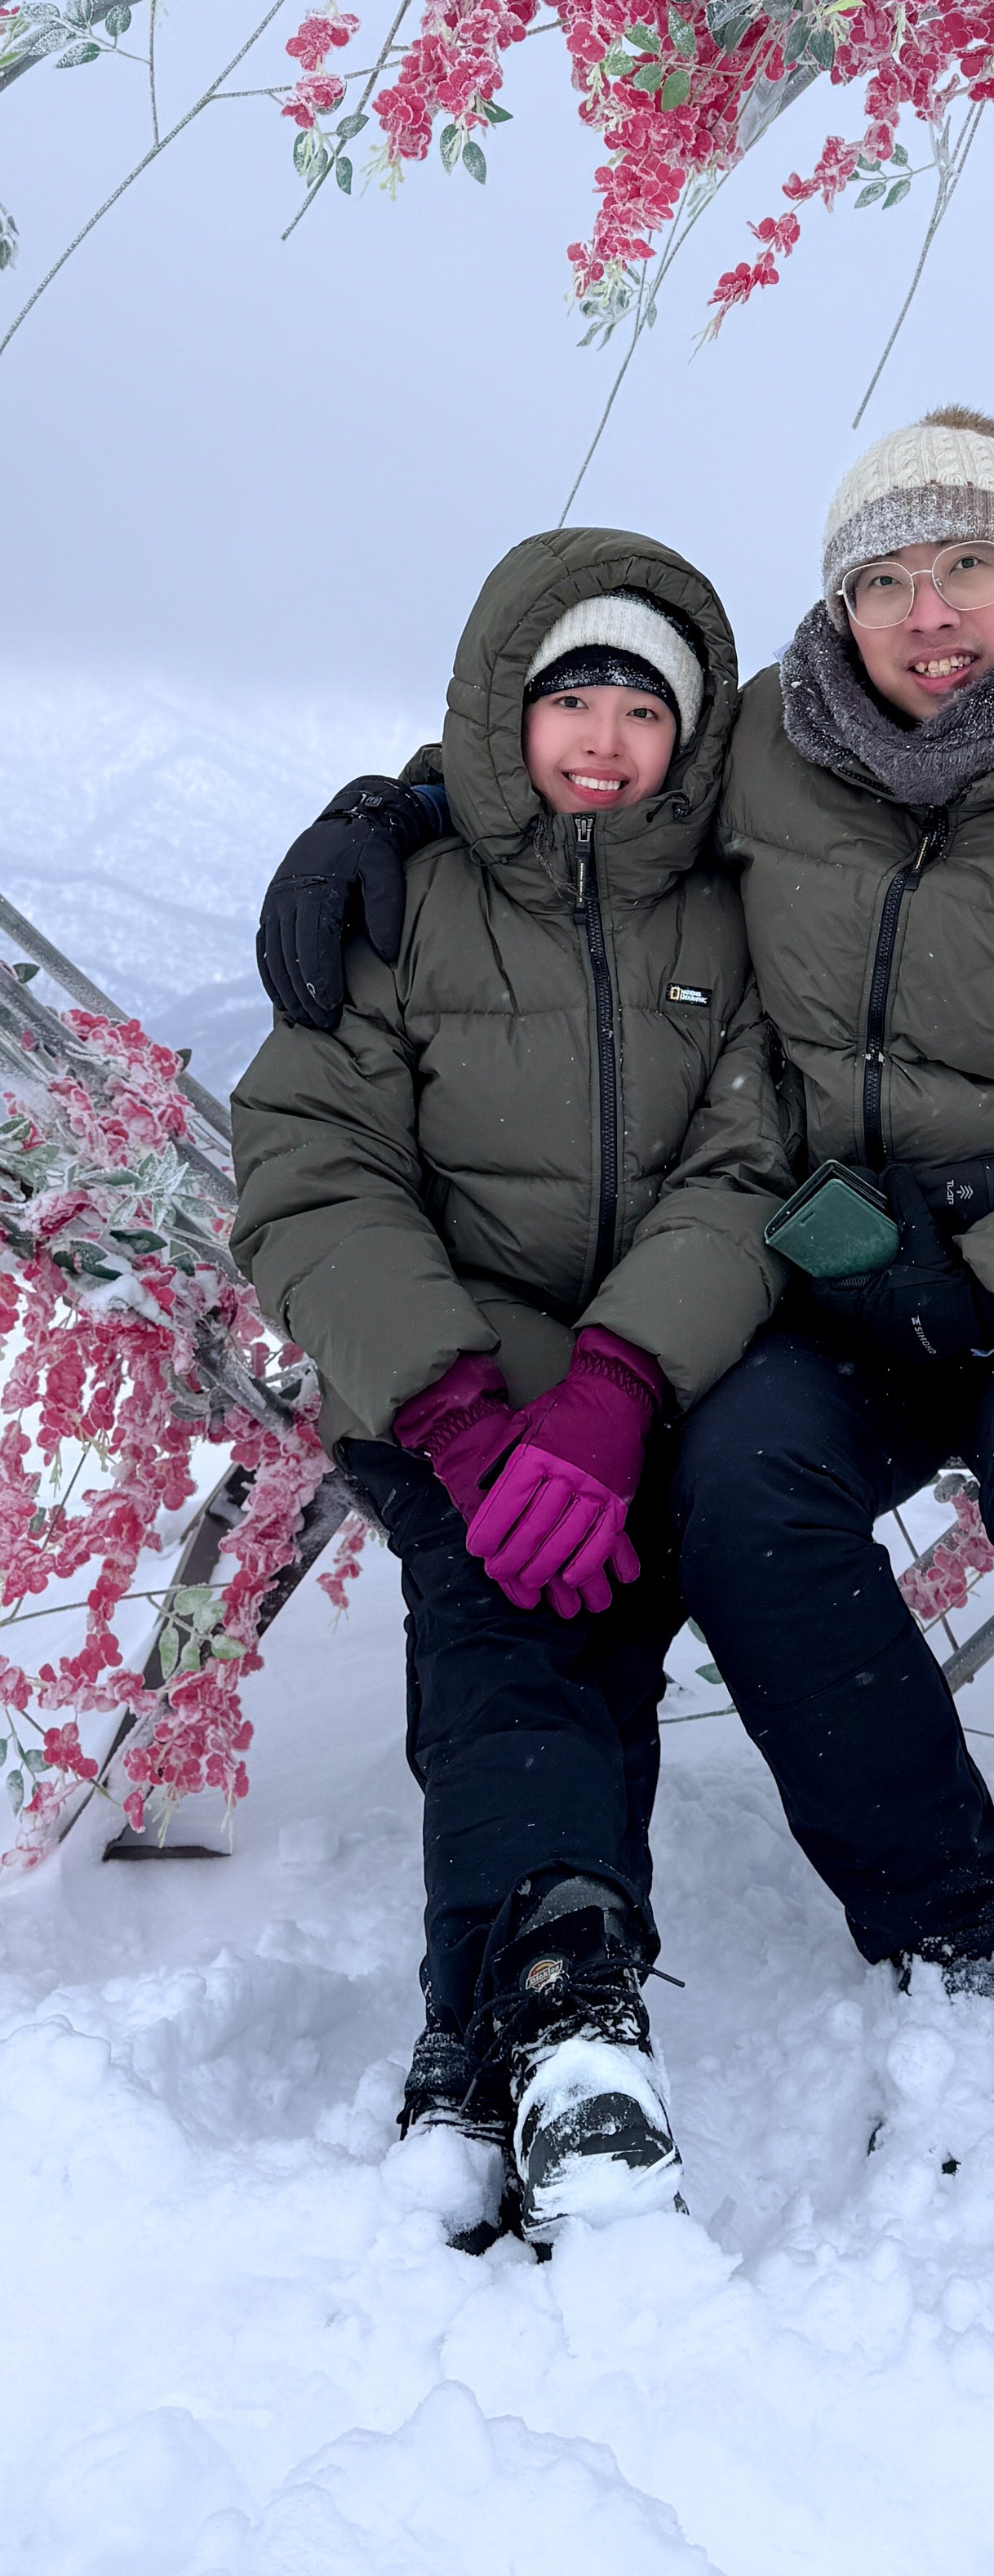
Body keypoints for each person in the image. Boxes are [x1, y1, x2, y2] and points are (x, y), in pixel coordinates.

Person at [254, 416, 994, 2307]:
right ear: (837, 609)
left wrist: (991, 1279)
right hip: (827, 1263)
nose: (928, 618)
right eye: (884, 581)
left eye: (968, 571)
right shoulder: (778, 746)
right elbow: (579, 788)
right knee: (738, 1485)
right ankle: (949, 1904)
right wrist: (382, 813)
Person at [231, 531, 795, 2250]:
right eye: (572, 697)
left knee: (584, 1619)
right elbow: (313, 1167)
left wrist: (619, 1383)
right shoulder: (401, 896)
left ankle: (488, 2037)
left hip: (657, 1373)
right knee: (496, 1600)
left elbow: (750, 1162)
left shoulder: (738, 907)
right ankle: (565, 2002)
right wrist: (467, 1416)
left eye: (646, 704)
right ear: (506, 708)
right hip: (447, 1384)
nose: (606, 739)